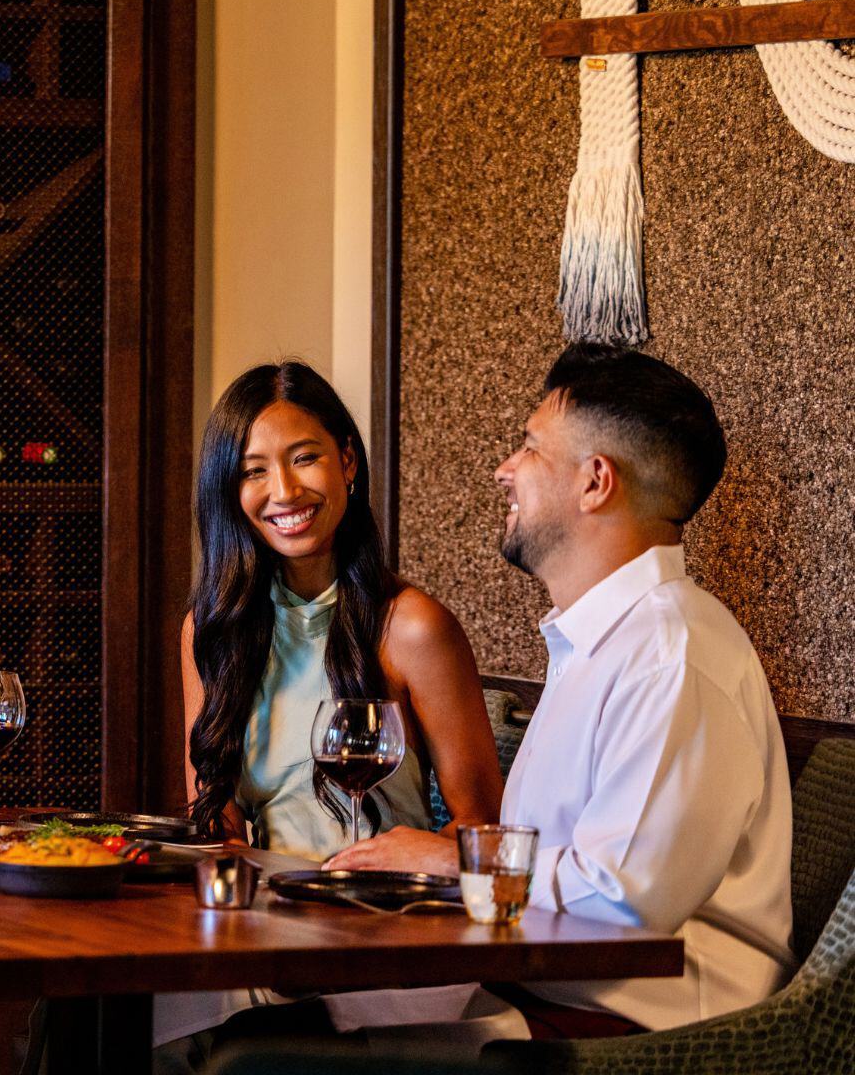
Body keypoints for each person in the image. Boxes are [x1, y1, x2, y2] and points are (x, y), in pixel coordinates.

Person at [330, 343, 794, 1036]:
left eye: (529, 448)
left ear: (595, 481)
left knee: (274, 1044)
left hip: (641, 1033)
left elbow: (621, 901)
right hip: (538, 990)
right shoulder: (599, 643)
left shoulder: (672, 655)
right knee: (256, 1012)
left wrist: (450, 858)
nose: (504, 470)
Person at [162, 361, 503, 1054]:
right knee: (89, 1009)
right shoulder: (210, 630)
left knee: (221, 1045)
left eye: (305, 458)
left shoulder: (412, 627)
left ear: (347, 461)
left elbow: (486, 830)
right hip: (266, 932)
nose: (283, 491)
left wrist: (426, 852)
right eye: (254, 471)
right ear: (230, 492)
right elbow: (211, 813)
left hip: (391, 938)